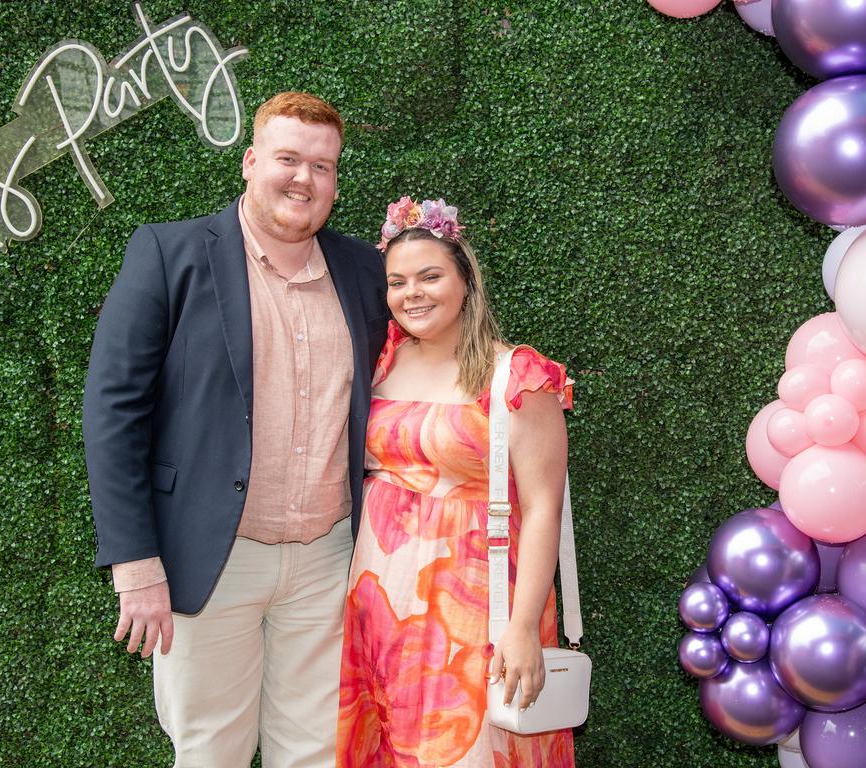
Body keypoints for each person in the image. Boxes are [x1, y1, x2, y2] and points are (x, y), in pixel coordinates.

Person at [82, 92, 389, 767]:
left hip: (327, 559)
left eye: (322, 166)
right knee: (210, 751)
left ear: (337, 181)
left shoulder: (365, 270)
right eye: (287, 158)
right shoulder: (170, 252)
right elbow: (113, 411)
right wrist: (136, 566)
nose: (303, 178)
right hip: (211, 556)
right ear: (250, 162)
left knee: (314, 752)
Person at [335, 197, 576, 767]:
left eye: (429, 276)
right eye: (397, 282)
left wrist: (522, 628)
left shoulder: (517, 376)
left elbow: (543, 507)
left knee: (466, 747)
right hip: (376, 598)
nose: (411, 293)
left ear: (466, 280)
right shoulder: (382, 362)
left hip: (478, 605)